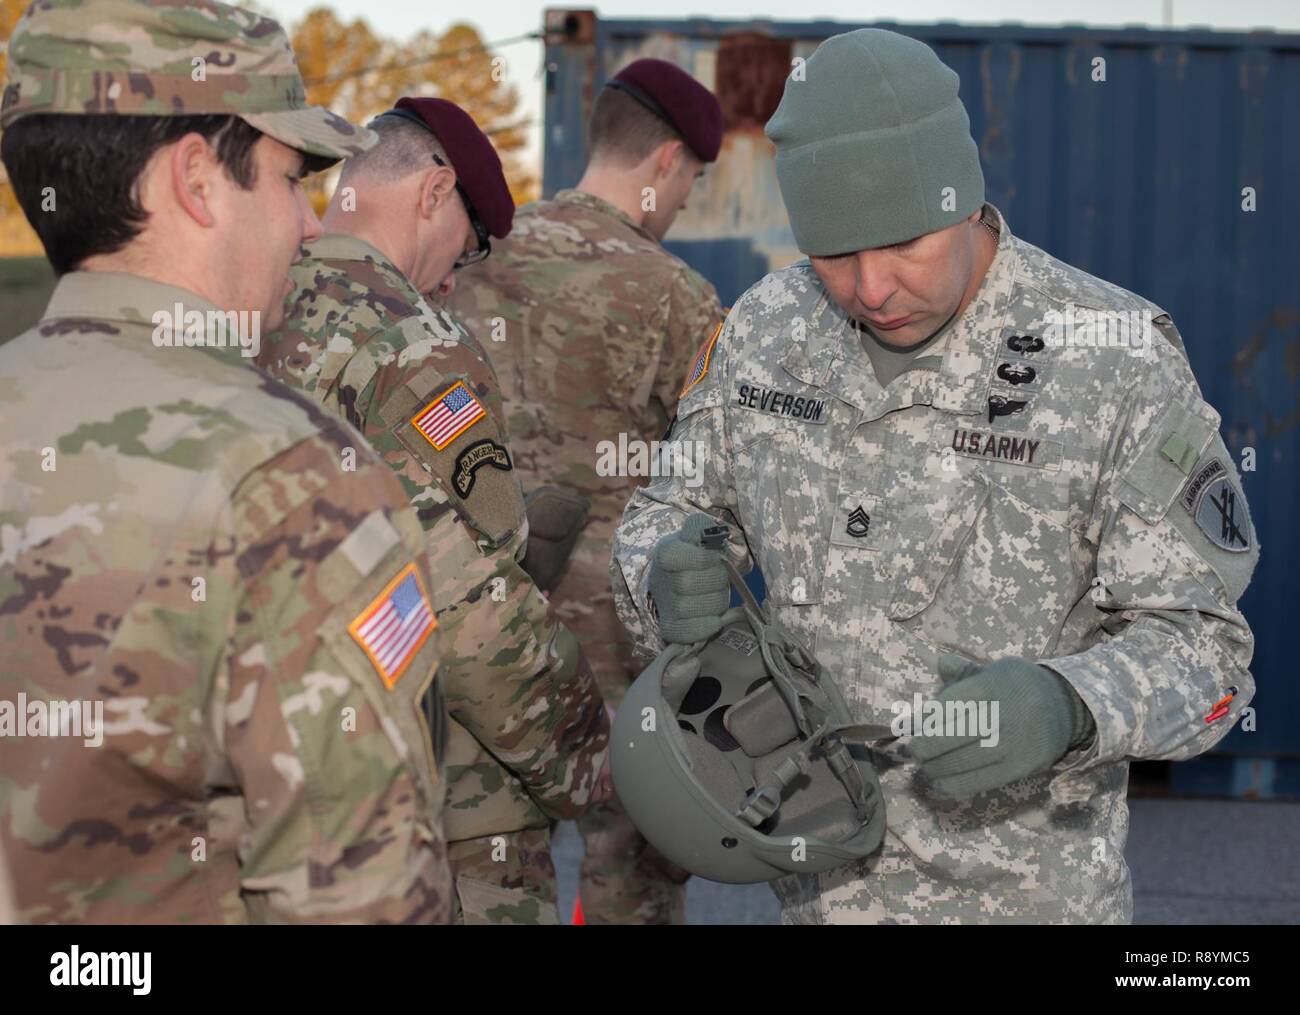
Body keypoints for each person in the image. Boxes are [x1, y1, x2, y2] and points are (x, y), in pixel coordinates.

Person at [611, 28, 1258, 924]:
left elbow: (1213, 658)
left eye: (904, 242)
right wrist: (661, 575)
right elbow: (660, 511)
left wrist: (1067, 705)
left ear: (965, 198)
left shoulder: (1113, 359)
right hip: (820, 891)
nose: (871, 288)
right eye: (834, 255)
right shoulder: (766, 333)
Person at [0, 0, 452, 923]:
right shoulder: (290, 478)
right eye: (290, 179)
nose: (307, 223)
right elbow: (360, 898)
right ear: (199, 179)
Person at [257, 98, 609, 925]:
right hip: (441, 810)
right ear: (434, 191)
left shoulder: (240, 307)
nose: (457, 275)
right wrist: (584, 755)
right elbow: (457, 605)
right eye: (470, 242)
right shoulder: (415, 341)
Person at [448, 58, 725, 925]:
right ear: (667, 163)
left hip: (480, 620)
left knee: (488, 848)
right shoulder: (674, 294)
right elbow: (724, 467)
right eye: (690, 184)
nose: (682, 205)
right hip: (620, 632)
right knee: (633, 856)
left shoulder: (473, 258)